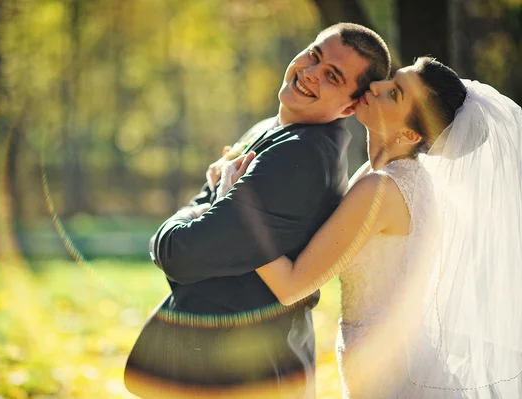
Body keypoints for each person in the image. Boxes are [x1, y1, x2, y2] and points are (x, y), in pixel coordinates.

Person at [218, 57, 522, 398]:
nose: (375, 86)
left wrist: (235, 200)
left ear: (409, 133)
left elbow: (291, 286)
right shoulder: (395, 178)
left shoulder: (381, 189)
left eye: (394, 94)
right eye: (391, 80)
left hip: (389, 377)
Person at [124, 23, 391, 398]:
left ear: (349, 105)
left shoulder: (299, 157)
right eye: (314, 55)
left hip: (238, 373)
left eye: (331, 76)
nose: (310, 73)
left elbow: (180, 253)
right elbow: (207, 206)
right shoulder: (272, 127)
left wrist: (194, 211)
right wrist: (213, 200)